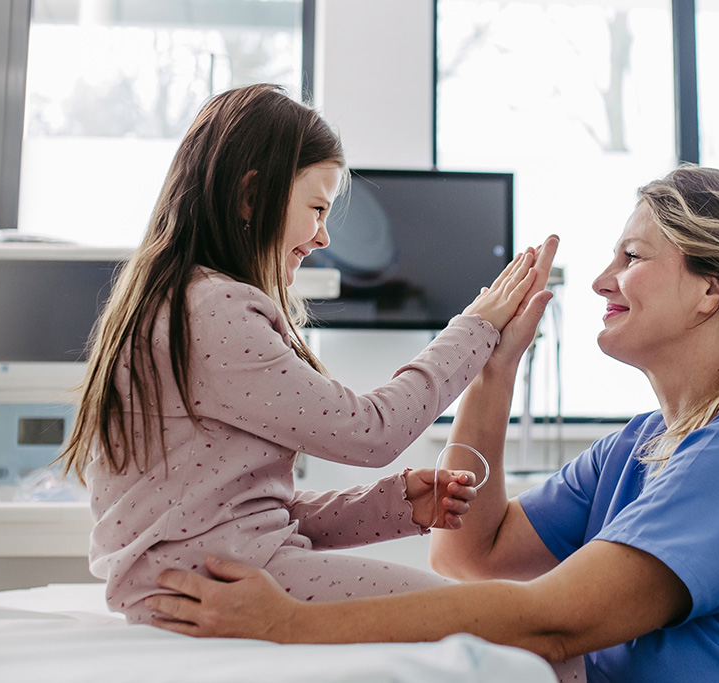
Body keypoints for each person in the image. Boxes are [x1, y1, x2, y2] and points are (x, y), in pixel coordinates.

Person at [144, 166, 719, 683]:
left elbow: (552, 622)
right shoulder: (636, 449)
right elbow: (469, 551)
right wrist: (494, 369)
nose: (604, 279)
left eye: (633, 256)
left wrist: (291, 625)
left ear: (714, 289)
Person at [57, 83, 560, 628]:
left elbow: (250, 517)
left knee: (492, 618)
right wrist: (476, 328)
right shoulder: (213, 311)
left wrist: (392, 506)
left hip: (210, 572)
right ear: (252, 196)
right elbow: (372, 433)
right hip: (219, 581)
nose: (323, 237)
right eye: (317, 208)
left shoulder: (178, 299)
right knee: (503, 626)